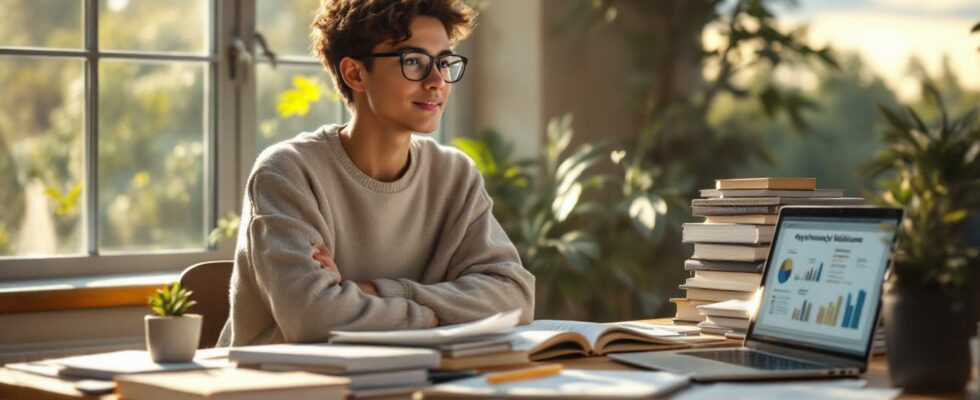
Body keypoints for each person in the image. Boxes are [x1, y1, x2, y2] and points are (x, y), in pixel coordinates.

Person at [217, 0, 535, 346]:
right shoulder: (287, 171)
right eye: (413, 61)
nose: (436, 81)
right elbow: (314, 319)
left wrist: (367, 292)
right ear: (355, 73)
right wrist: (437, 316)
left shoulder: (454, 174)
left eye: (444, 62)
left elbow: (514, 296)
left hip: (407, 382)